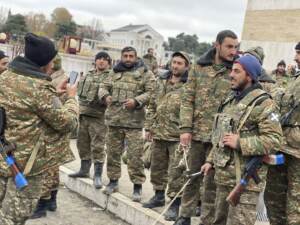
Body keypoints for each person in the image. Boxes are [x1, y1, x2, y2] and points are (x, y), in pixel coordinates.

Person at [0, 33, 78, 225]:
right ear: (45, 63)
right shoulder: (41, 89)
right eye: (52, 60)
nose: (53, 64)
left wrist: (54, 97)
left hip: (4, 156)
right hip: (26, 166)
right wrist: (70, 98)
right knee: (13, 217)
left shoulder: (6, 76)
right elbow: (68, 123)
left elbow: (29, 106)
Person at [201, 54, 283, 225]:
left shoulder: (264, 104)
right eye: (232, 70)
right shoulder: (230, 100)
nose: (231, 74)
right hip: (223, 179)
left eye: (237, 71)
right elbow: (220, 136)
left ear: (249, 76)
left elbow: (275, 140)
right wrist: (210, 160)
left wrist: (241, 143)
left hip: (245, 183)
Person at [174, 30, 239, 225]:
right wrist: (185, 128)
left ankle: (207, 220)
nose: (233, 51)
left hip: (220, 137)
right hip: (196, 132)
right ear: (216, 45)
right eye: (229, 46)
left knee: (212, 183)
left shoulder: (236, 71)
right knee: (191, 176)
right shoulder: (198, 68)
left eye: (236, 47)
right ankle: (184, 216)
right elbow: (187, 99)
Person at [98, 46, 155, 202]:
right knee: (112, 153)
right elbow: (103, 86)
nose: (128, 59)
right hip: (114, 121)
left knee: (135, 156)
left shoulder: (145, 74)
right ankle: (113, 181)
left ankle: (137, 186)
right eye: (125, 56)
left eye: (131, 56)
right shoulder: (114, 71)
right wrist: (106, 96)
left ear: (136, 57)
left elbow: (152, 92)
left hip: (134, 123)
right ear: (121, 57)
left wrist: (136, 101)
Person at [142, 51, 190, 221]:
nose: (175, 66)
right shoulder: (161, 81)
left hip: (177, 136)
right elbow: (152, 106)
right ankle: (158, 195)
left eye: (180, 63)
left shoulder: (189, 86)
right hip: (159, 133)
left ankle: (175, 204)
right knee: (157, 168)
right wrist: (149, 127)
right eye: (174, 62)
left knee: (176, 172)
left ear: (186, 66)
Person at [31, 54, 71, 219]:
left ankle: (44, 204)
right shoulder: (45, 76)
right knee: (52, 169)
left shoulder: (62, 77)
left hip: (55, 124)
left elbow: (57, 101)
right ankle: (51, 201)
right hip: (50, 124)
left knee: (49, 168)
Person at [265, 42, 300, 225]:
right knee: (273, 195)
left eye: (299, 53)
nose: (295, 58)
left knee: (296, 203)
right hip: (282, 146)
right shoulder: (294, 79)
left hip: (297, 152)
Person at [69, 52, 112, 190]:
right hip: (84, 114)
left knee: (98, 146)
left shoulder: (111, 77)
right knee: (82, 143)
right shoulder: (88, 74)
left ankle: (98, 175)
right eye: (99, 59)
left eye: (104, 60)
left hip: (99, 117)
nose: (101, 61)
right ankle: (84, 169)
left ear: (109, 63)